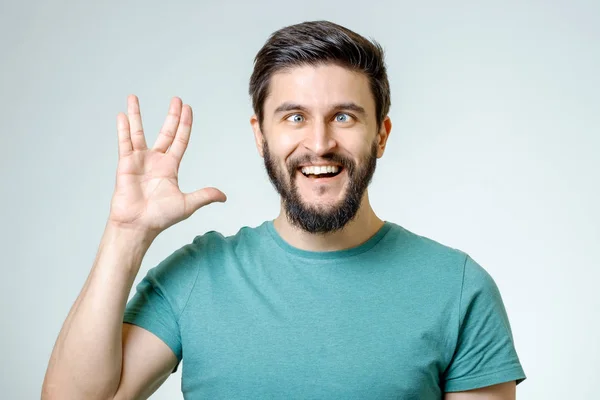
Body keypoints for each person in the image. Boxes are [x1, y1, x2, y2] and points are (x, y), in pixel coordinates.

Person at [42, 20, 526, 399]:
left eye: (344, 116)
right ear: (261, 135)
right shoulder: (199, 275)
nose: (319, 143)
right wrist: (127, 233)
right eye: (295, 117)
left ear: (381, 134)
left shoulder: (457, 287)